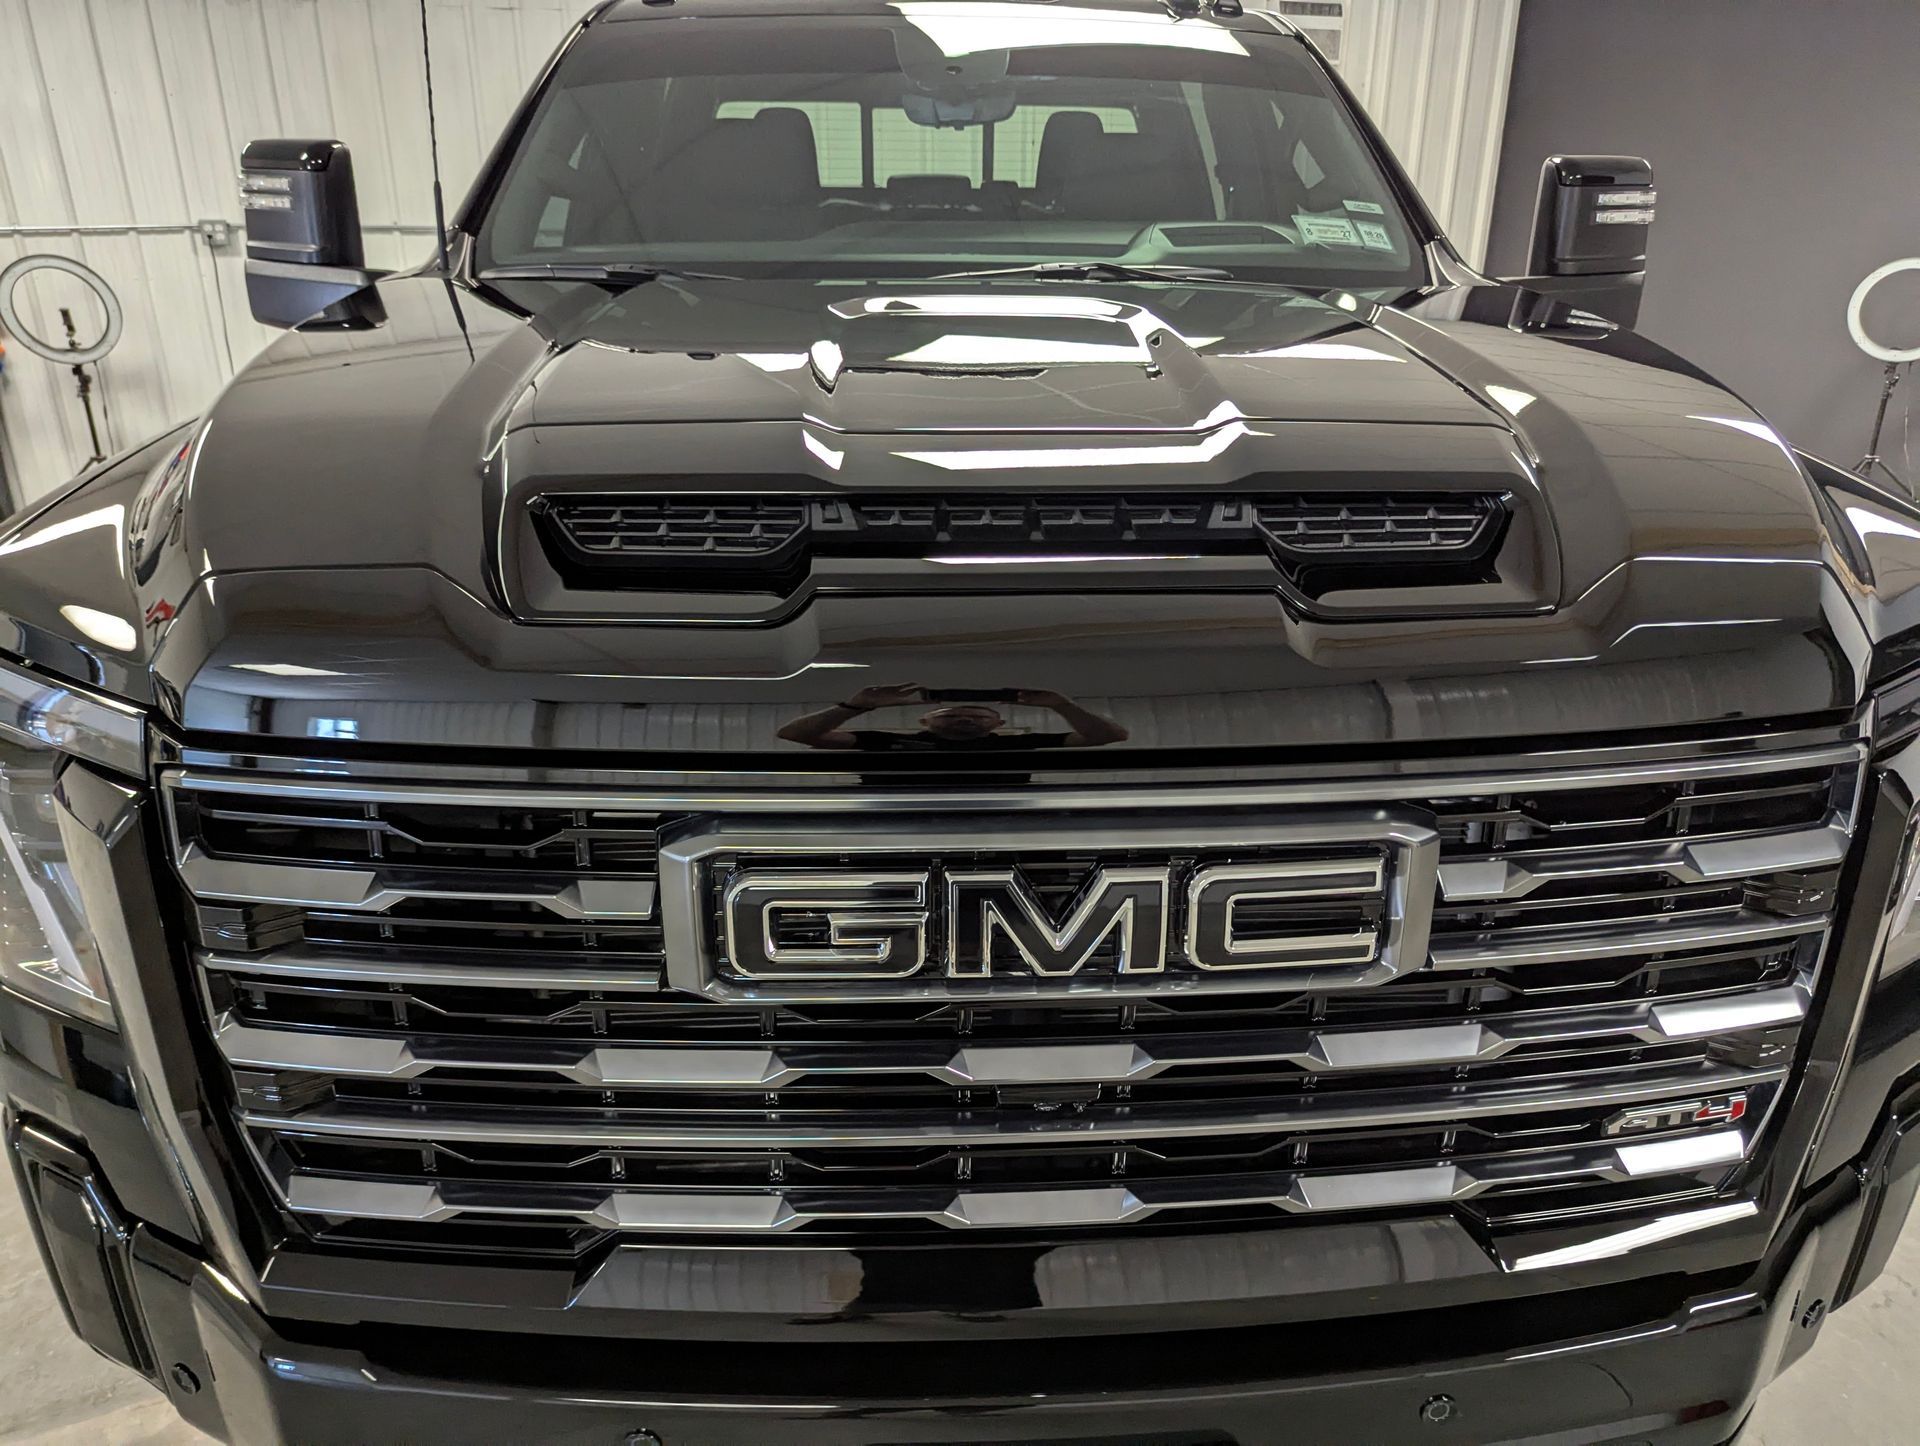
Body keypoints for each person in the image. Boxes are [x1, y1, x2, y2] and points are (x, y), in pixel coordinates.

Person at [777, 683, 1129, 751]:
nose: (964, 717)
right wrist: (856, 706)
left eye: (976, 713)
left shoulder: (1024, 745)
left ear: (998, 725)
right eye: (951, 714)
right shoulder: (880, 741)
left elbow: (1110, 737)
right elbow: (794, 735)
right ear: (925, 721)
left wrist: (1062, 705)